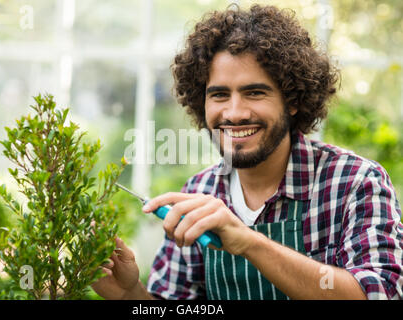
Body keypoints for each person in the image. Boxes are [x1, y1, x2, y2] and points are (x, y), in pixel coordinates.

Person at [91, 4, 403, 300]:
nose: (235, 113)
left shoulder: (355, 183)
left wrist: (250, 243)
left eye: (254, 93)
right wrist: (130, 295)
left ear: (292, 101)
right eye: (219, 95)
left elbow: (378, 293)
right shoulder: (199, 192)